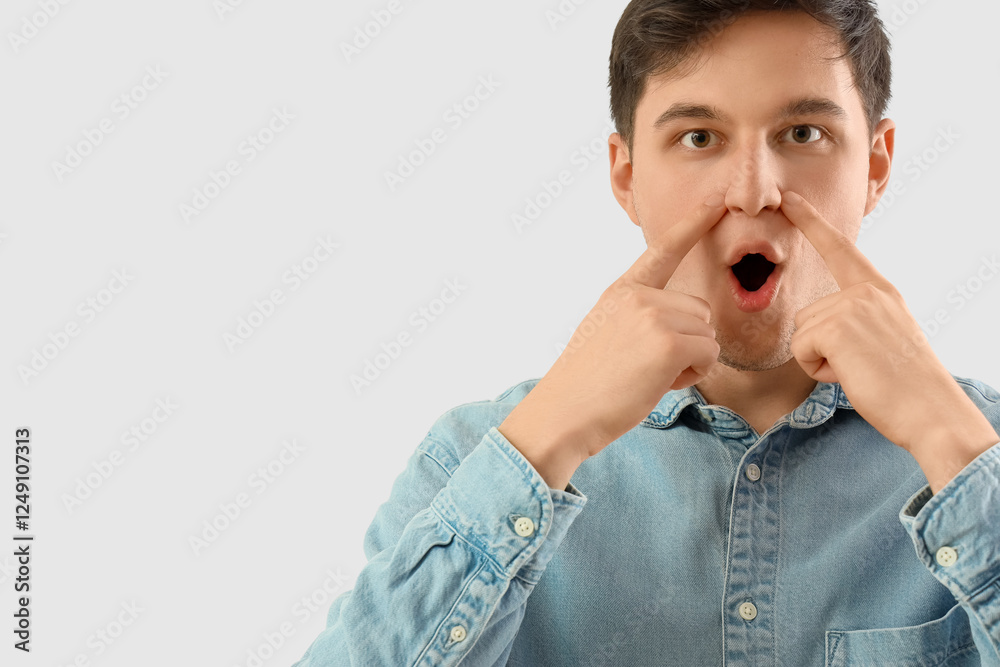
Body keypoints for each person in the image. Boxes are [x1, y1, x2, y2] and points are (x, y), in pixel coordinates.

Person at [292, 1, 1000, 664]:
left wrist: (952, 444)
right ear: (626, 175)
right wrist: (543, 442)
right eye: (699, 137)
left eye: (803, 134)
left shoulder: (982, 443)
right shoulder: (474, 459)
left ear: (875, 166)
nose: (754, 191)